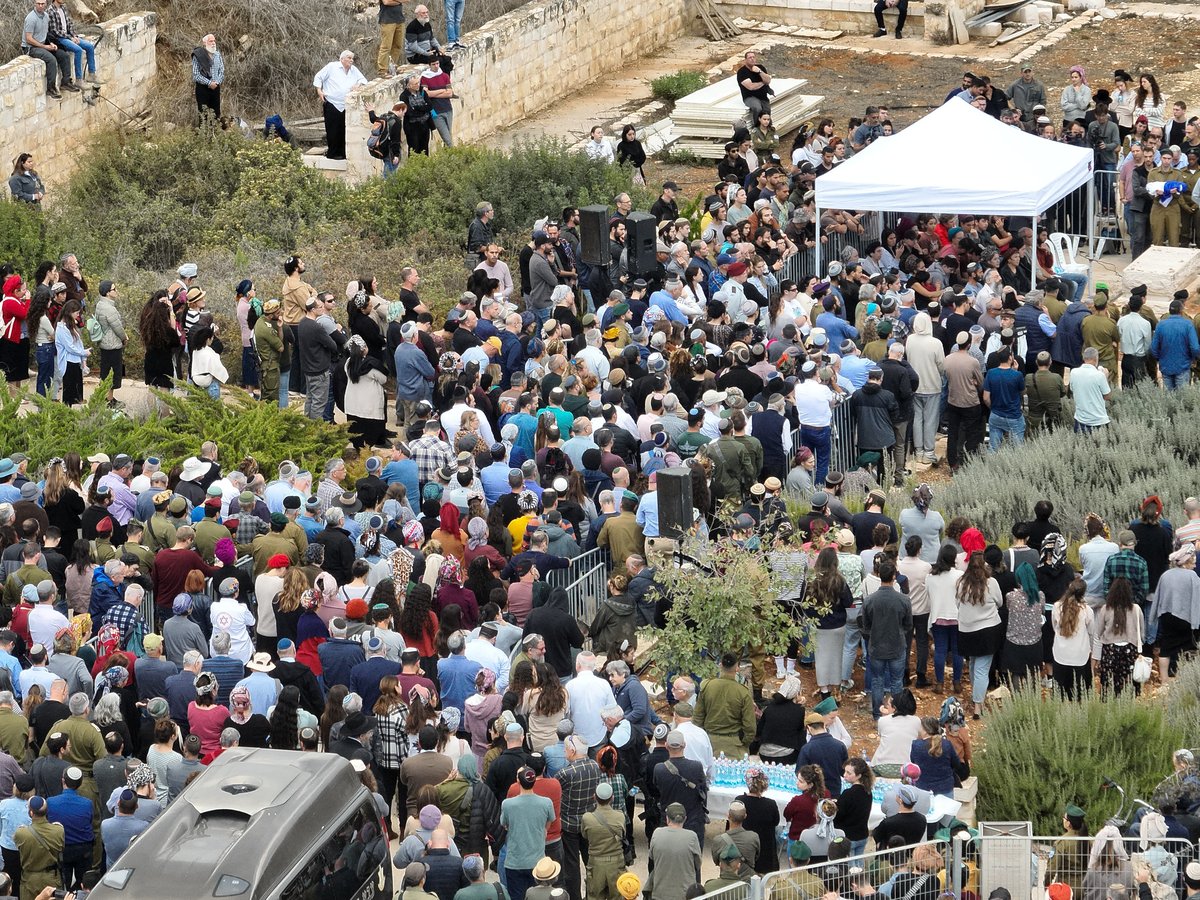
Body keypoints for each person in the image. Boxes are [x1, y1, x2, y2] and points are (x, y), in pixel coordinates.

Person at [313, 50, 368, 161]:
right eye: (349, 58)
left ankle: (343, 153)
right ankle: (333, 153)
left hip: (347, 104)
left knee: (344, 129)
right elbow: (318, 77)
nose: (351, 60)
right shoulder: (332, 67)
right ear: (342, 58)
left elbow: (363, 80)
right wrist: (319, 90)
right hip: (333, 103)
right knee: (333, 129)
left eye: (352, 58)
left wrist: (358, 85)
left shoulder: (354, 70)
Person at [22, 0, 74, 99]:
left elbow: (45, 34)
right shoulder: (31, 18)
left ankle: (66, 82)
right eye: (38, 4)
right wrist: (45, 47)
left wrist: (50, 43)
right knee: (51, 59)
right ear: (35, 4)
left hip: (43, 44)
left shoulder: (46, 16)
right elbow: (28, 39)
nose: (40, 6)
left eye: (42, 4)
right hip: (30, 48)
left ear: (46, 4)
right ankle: (50, 88)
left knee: (64, 55)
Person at [192, 33, 224, 118]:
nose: (213, 43)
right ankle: (204, 131)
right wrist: (209, 83)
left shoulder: (217, 54)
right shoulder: (198, 55)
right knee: (203, 116)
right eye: (211, 41)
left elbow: (221, 71)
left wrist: (216, 82)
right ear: (205, 43)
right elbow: (196, 75)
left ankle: (215, 131)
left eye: (214, 41)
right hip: (203, 89)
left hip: (216, 88)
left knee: (216, 114)